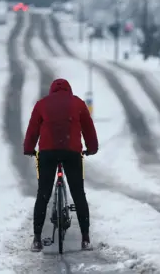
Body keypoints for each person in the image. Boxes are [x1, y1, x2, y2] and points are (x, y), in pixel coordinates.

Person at [23, 78, 98, 252]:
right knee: (78, 194)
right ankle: (85, 239)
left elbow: (33, 129)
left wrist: (29, 149)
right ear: (68, 90)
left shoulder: (42, 104)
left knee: (43, 194)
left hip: (47, 153)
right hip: (71, 152)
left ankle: (36, 239)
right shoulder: (78, 103)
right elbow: (88, 128)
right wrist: (91, 148)